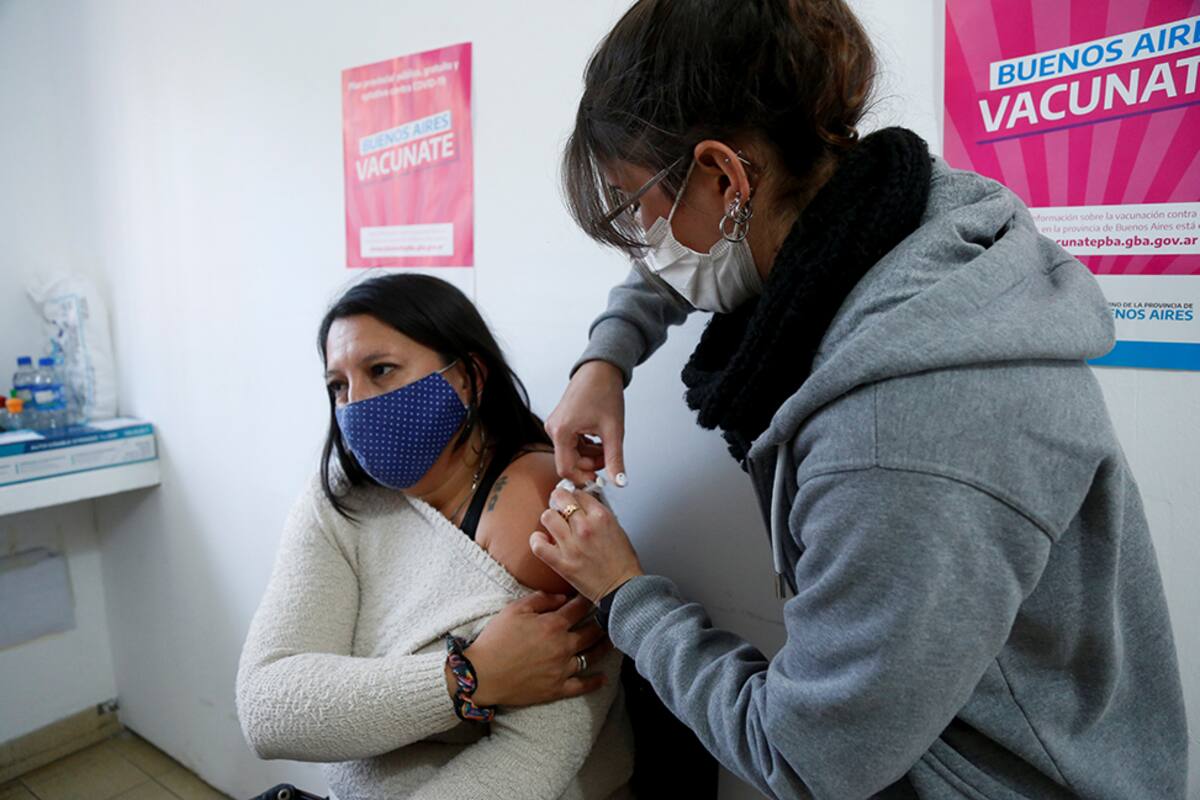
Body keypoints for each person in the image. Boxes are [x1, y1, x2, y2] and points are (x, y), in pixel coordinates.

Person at [530, 1, 1190, 798]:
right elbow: (689, 250)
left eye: (638, 204)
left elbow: (809, 761)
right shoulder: (904, 210)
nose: (645, 239)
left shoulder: (899, 439)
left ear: (724, 177)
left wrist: (624, 595)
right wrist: (606, 358)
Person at [236, 274, 633, 800]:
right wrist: (467, 677)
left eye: (381, 371)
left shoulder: (548, 518)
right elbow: (268, 706)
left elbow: (530, 761)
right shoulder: (341, 498)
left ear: (468, 376)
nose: (355, 405)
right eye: (339, 385)